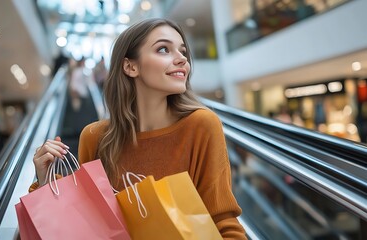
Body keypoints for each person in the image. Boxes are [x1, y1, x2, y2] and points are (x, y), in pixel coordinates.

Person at [31, 18, 246, 239]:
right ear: (130, 66)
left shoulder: (201, 125)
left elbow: (222, 221)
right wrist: (46, 181)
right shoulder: (95, 137)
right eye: (164, 49)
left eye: (182, 51)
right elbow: (85, 224)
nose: (182, 59)